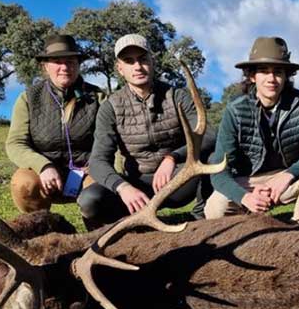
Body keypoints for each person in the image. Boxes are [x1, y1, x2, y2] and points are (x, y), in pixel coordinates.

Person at [84, 34, 216, 225]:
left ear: (152, 62)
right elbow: (97, 160)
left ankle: (200, 217)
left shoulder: (176, 95)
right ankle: (119, 230)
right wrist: (122, 187)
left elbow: (209, 134)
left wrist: (173, 157)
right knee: (90, 200)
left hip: (178, 180)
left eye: (143, 59)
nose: (137, 66)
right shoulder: (111, 106)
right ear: (120, 68)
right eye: (129, 61)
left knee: (215, 158)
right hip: (137, 186)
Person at [205, 36, 299, 224]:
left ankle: (298, 229)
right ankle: (242, 232)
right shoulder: (235, 109)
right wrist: (245, 197)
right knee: (215, 207)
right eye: (264, 71)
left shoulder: (298, 102)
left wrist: (288, 175)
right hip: (247, 181)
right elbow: (219, 169)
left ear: (286, 76)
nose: (272, 79)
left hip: (284, 176)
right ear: (252, 76)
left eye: (278, 71)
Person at [6, 34, 107, 223]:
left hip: (88, 171)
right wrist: (43, 166)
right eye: (57, 61)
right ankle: (41, 231)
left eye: (70, 61)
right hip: (44, 173)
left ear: (78, 64)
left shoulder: (99, 98)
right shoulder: (28, 99)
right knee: (24, 184)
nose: (64, 67)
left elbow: (110, 141)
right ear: (45, 66)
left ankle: (99, 234)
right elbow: (15, 143)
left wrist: (97, 165)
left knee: (98, 195)